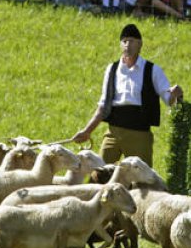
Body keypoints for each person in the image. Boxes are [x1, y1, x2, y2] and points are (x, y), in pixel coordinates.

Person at [70, 23, 183, 165]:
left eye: (131, 41)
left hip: (139, 134)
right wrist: (87, 131)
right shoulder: (112, 69)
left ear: (140, 44)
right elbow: (103, 105)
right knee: (99, 173)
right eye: (124, 41)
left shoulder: (153, 70)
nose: (127, 45)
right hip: (113, 132)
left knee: (142, 180)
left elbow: (169, 100)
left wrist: (175, 94)